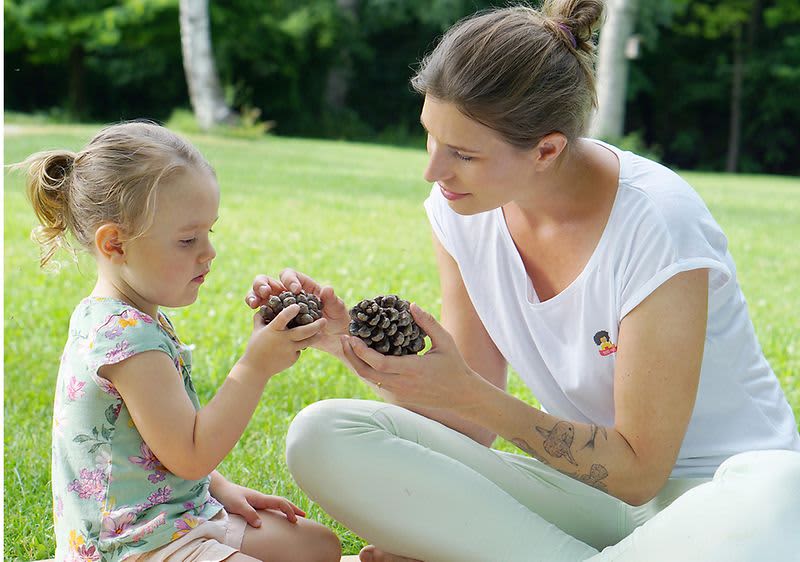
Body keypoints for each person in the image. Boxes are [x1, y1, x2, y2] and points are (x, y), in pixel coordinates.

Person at [247, 2, 800, 561]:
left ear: (547, 150)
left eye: (462, 154)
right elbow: (469, 422)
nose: (433, 172)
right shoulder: (461, 211)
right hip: (595, 496)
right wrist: (346, 343)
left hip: (720, 498)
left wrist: (468, 395)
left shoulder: (657, 224)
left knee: (783, 489)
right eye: (430, 138)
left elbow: (640, 473)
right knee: (325, 433)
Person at [19, 122, 342, 562]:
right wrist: (255, 367)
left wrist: (219, 488)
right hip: (132, 547)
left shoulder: (138, 316)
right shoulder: (125, 340)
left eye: (210, 232)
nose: (208, 252)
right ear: (115, 244)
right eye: (188, 239)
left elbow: (164, 443)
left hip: (176, 518)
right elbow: (190, 452)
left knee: (318, 547)